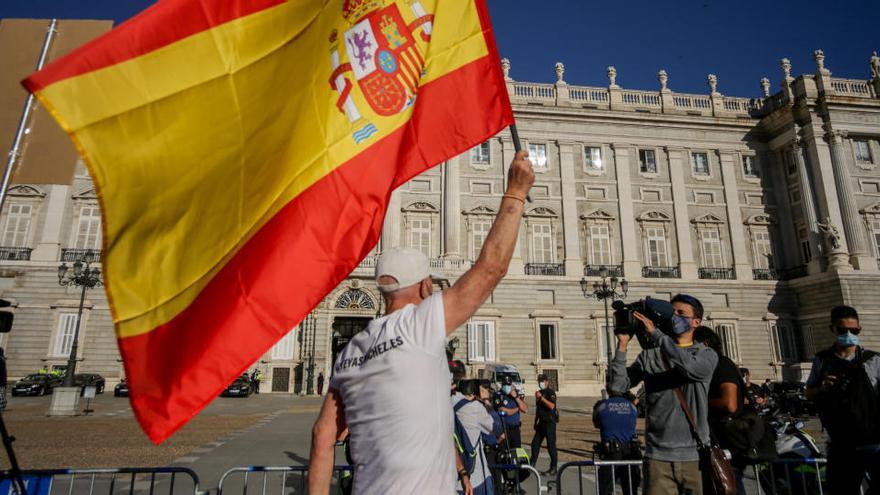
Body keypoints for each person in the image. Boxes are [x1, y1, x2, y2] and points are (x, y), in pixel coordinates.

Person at [308, 151, 534, 494]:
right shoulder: (419, 326)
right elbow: (491, 269)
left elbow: (323, 438)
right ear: (427, 286)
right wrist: (516, 191)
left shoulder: (350, 351)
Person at [609, 294, 718, 495]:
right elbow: (617, 386)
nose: (674, 316)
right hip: (658, 457)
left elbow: (690, 368)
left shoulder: (705, 354)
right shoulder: (650, 356)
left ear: (696, 322)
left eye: (681, 313)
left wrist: (658, 335)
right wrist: (622, 345)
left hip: (694, 456)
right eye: (672, 312)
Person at [805, 305, 880, 494]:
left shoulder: (874, 360)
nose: (848, 334)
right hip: (841, 443)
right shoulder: (822, 361)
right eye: (842, 330)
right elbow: (809, 393)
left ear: (859, 329)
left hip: (874, 441)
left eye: (853, 330)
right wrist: (823, 387)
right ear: (833, 329)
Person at [694, 326, 747, 494]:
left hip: (726, 441)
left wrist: (700, 401)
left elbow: (729, 403)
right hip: (716, 439)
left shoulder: (722, 364)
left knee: (729, 485)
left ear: (705, 344)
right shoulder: (710, 367)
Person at [450, 361, 500, 495]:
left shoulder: (440, 404)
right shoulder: (473, 408)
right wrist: (487, 402)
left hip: (450, 482)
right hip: (476, 479)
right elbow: (496, 428)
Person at [592, 386, 641, 495]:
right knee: (631, 490)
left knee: (606, 489)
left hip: (611, 453)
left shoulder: (602, 406)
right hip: (630, 453)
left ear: (608, 390)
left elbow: (596, 423)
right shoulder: (632, 406)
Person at [530, 374, 558, 476]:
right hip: (541, 422)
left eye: (542, 381)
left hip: (550, 422)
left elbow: (552, 406)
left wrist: (541, 398)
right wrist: (535, 421)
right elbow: (538, 408)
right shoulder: (539, 393)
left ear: (547, 382)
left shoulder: (551, 392)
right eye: (539, 381)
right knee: (535, 444)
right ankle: (532, 464)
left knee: (551, 446)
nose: (540, 383)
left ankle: (554, 467)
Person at [494, 376, 527, 450]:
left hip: (515, 429)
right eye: (505, 385)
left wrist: (516, 397)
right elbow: (504, 411)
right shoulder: (498, 395)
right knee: (504, 453)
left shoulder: (515, 394)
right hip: (504, 429)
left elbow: (525, 409)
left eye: (508, 385)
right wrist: (518, 408)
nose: (507, 387)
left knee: (517, 452)